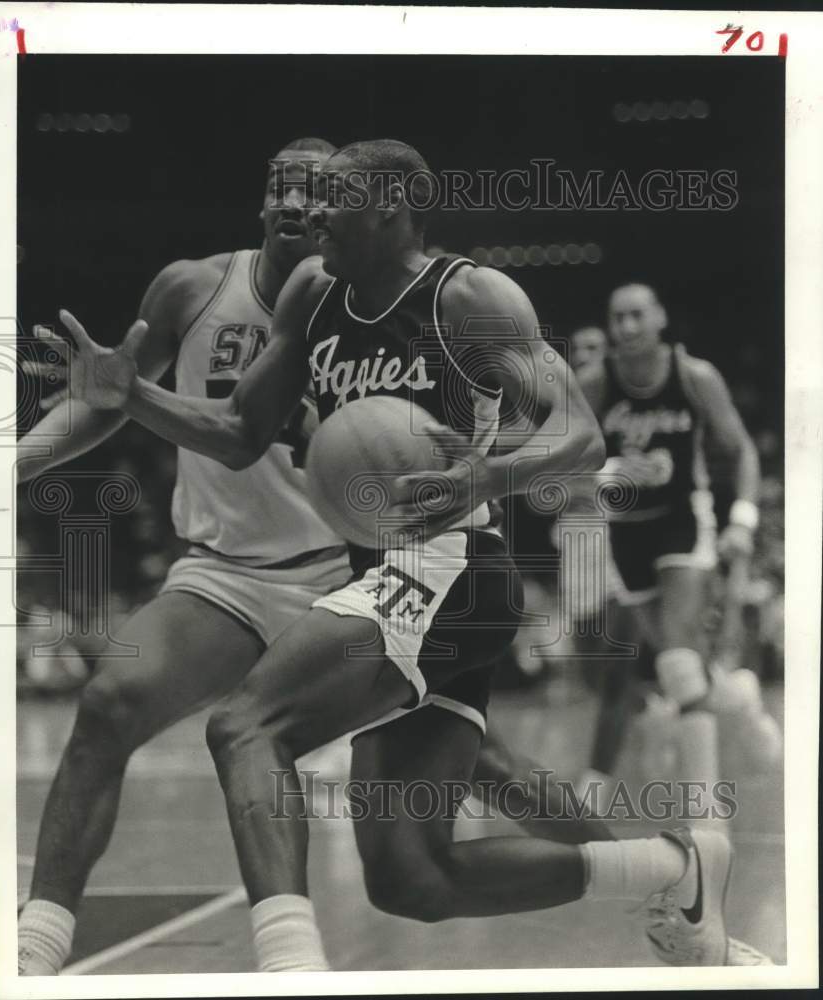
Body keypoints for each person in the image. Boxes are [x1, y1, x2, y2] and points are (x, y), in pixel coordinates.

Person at [45, 139, 739, 970]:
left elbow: (579, 437)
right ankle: (675, 865)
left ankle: (289, 967)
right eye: (304, 197)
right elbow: (239, 435)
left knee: (246, 727)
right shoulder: (312, 292)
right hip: (386, 575)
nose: (314, 213)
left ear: (391, 204)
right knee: (411, 876)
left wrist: (490, 472)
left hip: (454, 565)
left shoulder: (471, 296)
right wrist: (136, 396)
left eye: (334, 196)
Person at [577, 283, 780, 817]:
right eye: (617, 317)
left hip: (684, 527)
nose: (625, 327)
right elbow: (557, 468)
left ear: (660, 318)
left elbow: (742, 454)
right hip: (625, 534)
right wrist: (606, 473)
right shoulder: (596, 384)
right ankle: (740, 701)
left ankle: (704, 815)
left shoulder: (694, 376)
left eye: (636, 315)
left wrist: (742, 519)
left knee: (678, 661)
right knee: (679, 668)